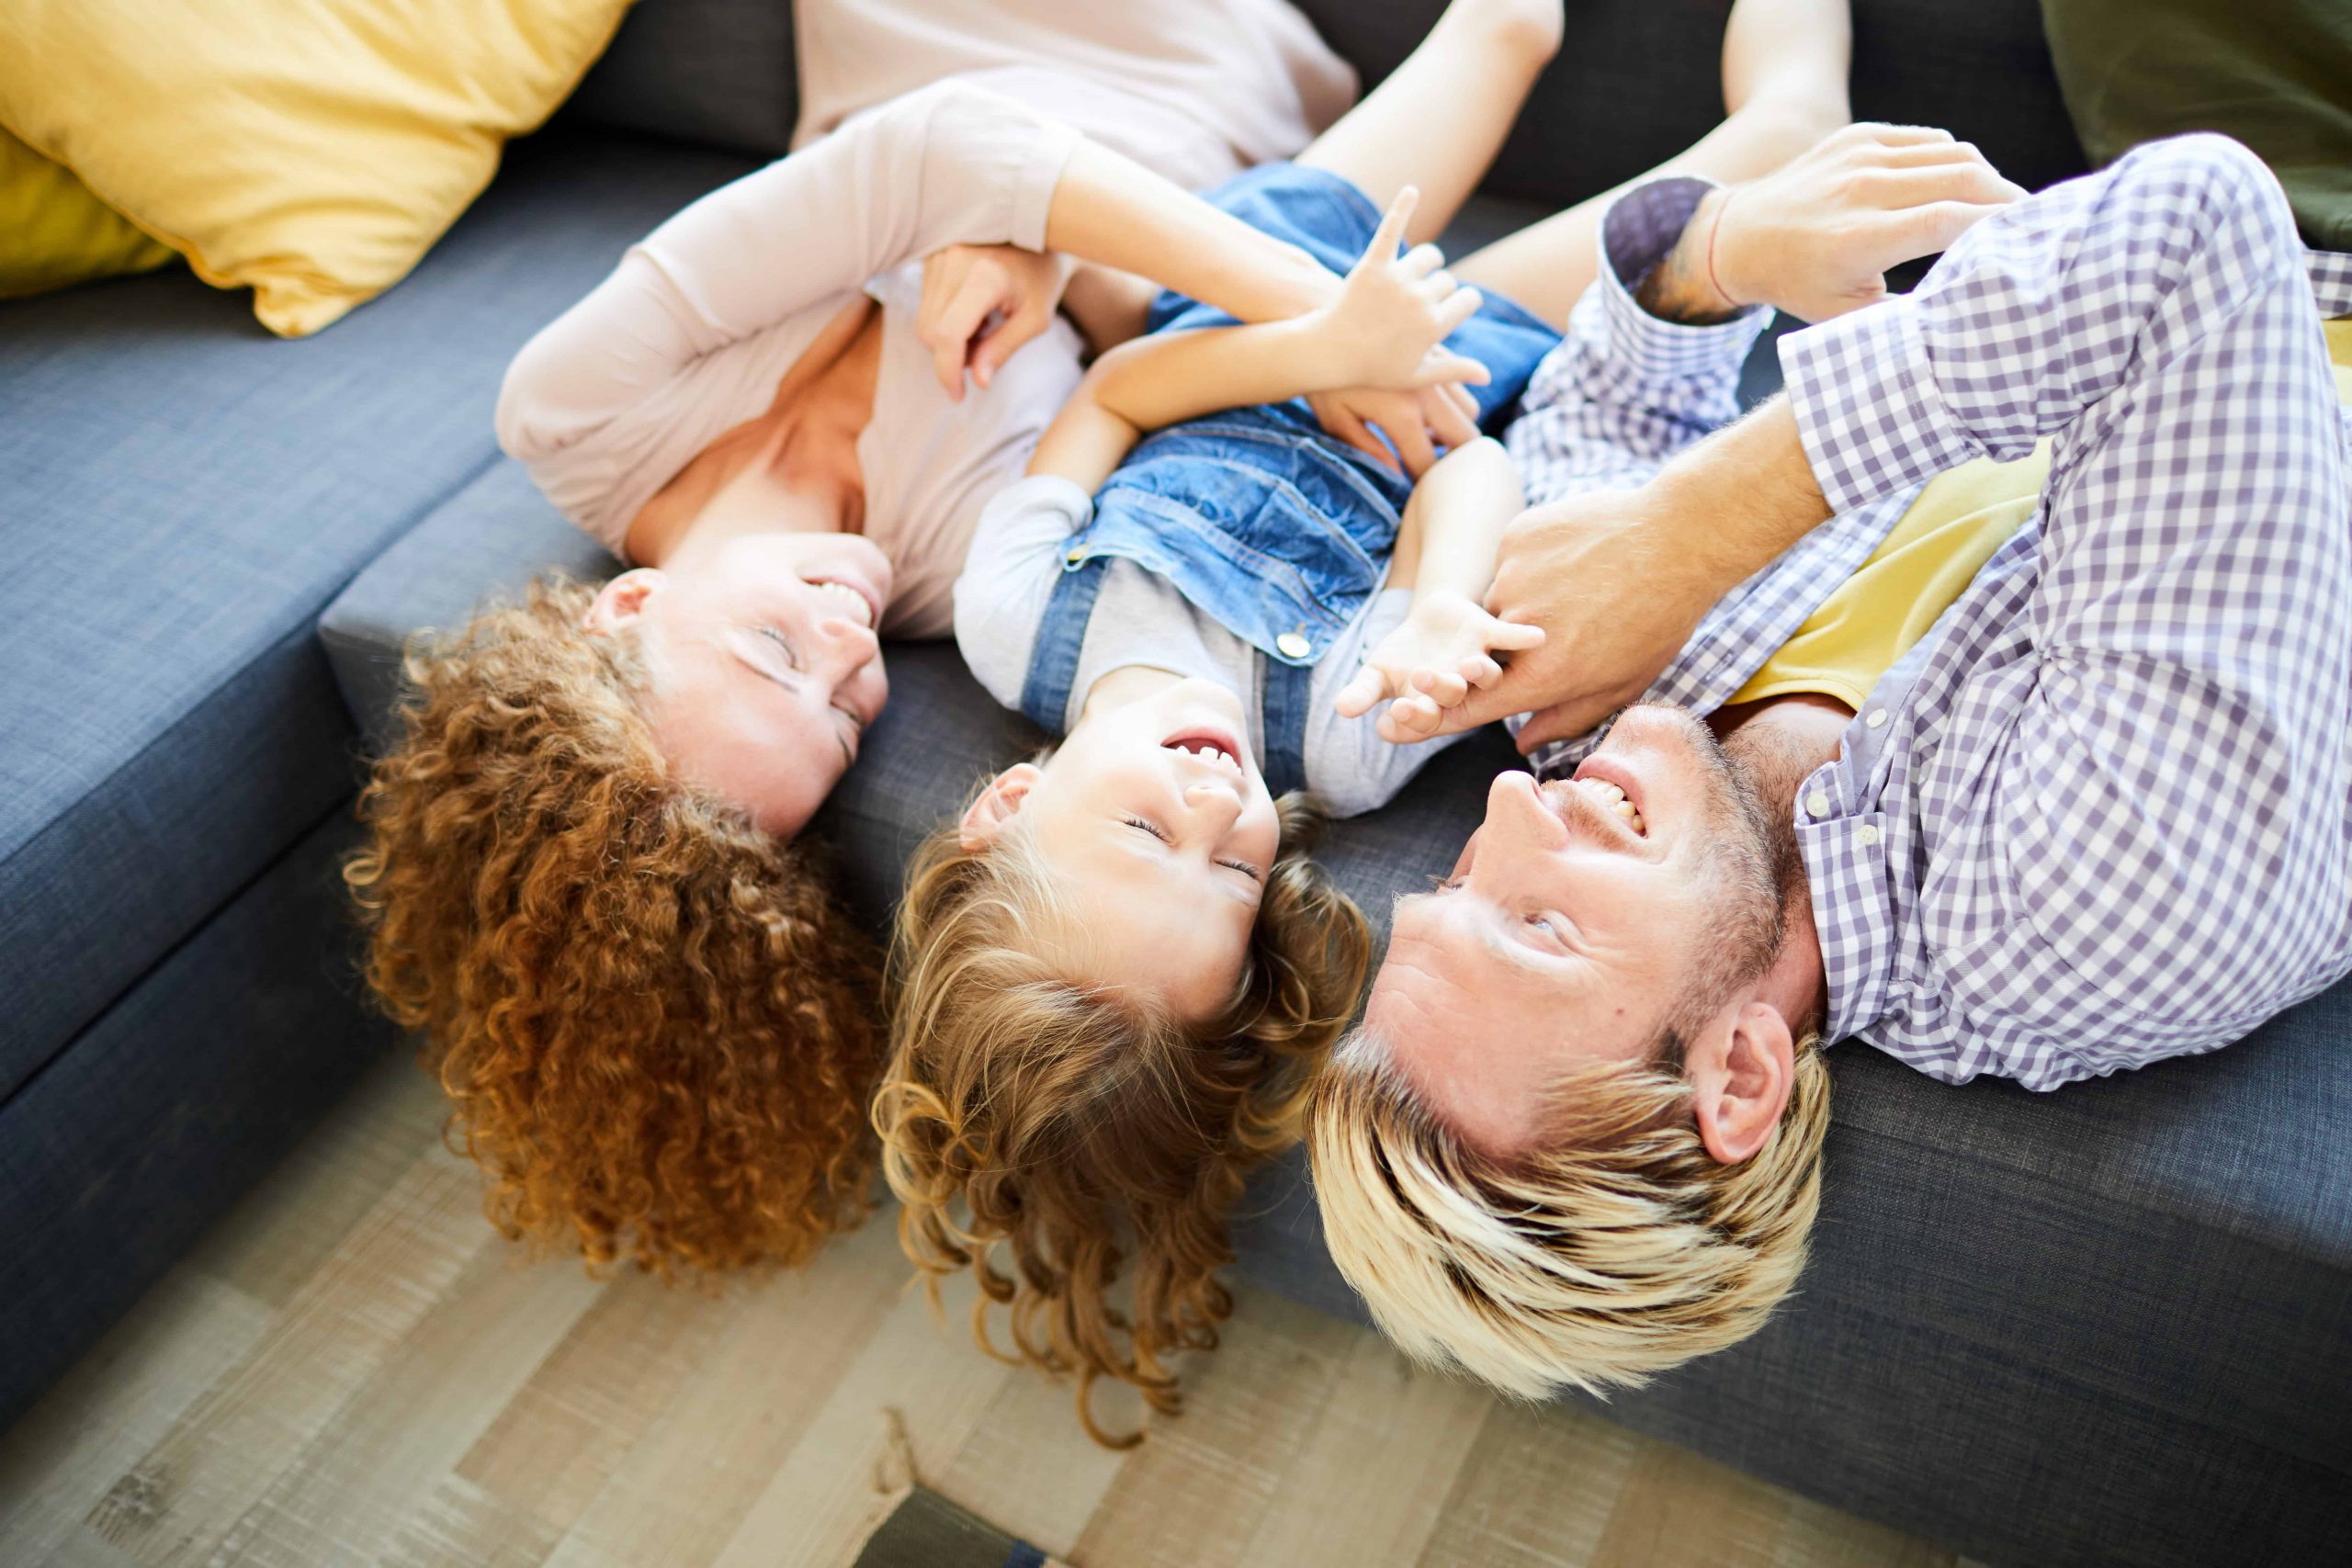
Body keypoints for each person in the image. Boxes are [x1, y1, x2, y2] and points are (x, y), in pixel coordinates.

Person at [876, 0, 1853, 1441]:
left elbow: (1121, 390)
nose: (1213, 810)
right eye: (1229, 874)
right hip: (1447, 370)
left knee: (1504, 29)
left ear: (1008, 803)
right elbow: (1469, 476)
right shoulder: (1346, 734)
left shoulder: (1013, 622)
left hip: (1254, 296)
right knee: (1767, 155)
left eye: (1145, 830)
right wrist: (1447, 601)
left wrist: (1319, 339)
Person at [344, 0, 1412, 1281]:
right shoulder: (962, 567)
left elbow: (941, 146)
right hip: (1181, 101)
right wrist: (1040, 255)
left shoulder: (576, 414)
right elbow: (1151, 353)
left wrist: (1315, 310)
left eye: (774, 656)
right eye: (850, 712)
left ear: (625, 606)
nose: (851, 644)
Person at [1305, 129, 2352, 1400]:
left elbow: (1607, 393)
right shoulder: (2070, 905)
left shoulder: (1623, 740)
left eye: (1464, 878)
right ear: (1739, 1069)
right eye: (1536, 928)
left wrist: (1719, 251)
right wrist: (1687, 527)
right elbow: (2197, 224)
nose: (1519, 806)